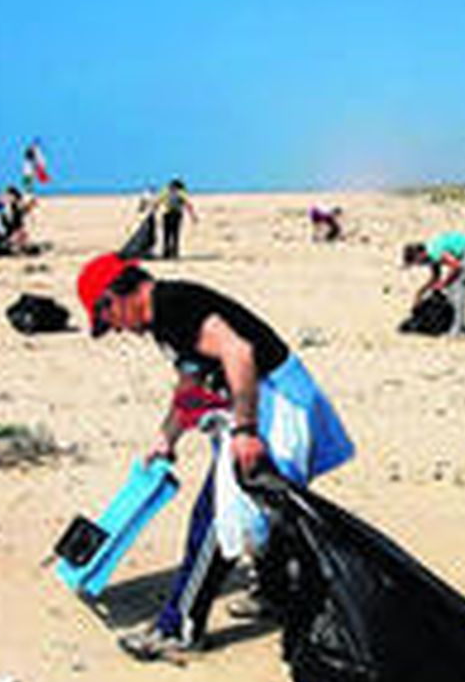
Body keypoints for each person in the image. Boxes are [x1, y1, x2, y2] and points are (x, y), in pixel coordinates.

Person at [76, 253, 355, 661]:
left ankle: (179, 629)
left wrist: (245, 430)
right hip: (270, 399)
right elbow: (191, 383)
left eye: (108, 319)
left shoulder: (173, 305)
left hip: (277, 402)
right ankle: (276, 593)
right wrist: (167, 438)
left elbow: (239, 353)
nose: (117, 329)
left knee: (216, 516)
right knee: (265, 504)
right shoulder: (164, 318)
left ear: (113, 297)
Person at [402, 230, 465, 337]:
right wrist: (420, 293)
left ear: (420, 255)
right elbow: (435, 277)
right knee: (452, 288)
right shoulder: (430, 255)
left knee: (458, 288)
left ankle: (457, 330)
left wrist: (444, 283)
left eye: (417, 262)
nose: (419, 265)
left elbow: (456, 266)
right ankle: (456, 326)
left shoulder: (434, 252)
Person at [157, 178, 197, 259]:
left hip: (168, 214)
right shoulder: (180, 193)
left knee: (167, 234)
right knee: (175, 234)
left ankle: (166, 253)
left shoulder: (166, 192)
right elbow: (188, 205)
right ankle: (174, 252)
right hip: (176, 214)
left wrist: (154, 210)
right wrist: (193, 216)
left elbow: (157, 202)